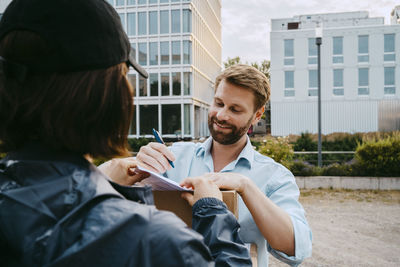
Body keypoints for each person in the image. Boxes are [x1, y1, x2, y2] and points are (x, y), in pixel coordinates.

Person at [0, 0, 252, 266]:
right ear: (105, 97)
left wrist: (100, 181)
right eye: (124, 76)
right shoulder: (153, 242)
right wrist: (213, 211)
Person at [131, 64, 313, 266]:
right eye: (218, 103)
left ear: (258, 115)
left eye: (235, 109)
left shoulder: (274, 176)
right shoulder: (173, 157)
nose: (221, 115)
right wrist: (139, 171)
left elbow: (296, 249)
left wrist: (246, 186)